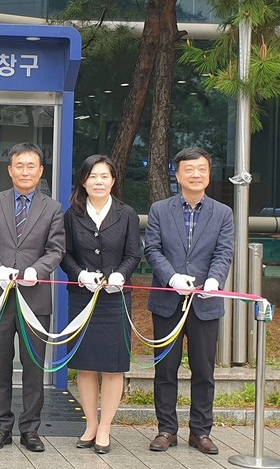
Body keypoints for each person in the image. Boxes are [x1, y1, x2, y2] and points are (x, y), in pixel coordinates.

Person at [0, 142, 65, 453]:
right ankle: (1, 427)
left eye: (31, 166)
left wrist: (37, 270)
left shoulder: (52, 208)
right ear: (10, 170)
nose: (25, 171)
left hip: (35, 298)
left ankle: (30, 429)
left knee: (33, 367)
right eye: (19, 166)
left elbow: (56, 250)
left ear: (40, 171)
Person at [144, 147, 233, 455]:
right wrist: (171, 278)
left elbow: (224, 252)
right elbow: (152, 249)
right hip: (168, 300)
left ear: (208, 174)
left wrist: (214, 280)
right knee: (165, 369)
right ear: (178, 174)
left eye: (201, 169)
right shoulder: (160, 209)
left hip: (206, 303)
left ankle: (201, 431)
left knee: (204, 371)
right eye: (189, 169)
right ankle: (166, 430)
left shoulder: (223, 213)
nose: (196, 175)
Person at [59, 155, 141, 455]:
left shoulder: (126, 213)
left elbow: (133, 254)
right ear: (83, 181)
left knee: (112, 366)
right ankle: (90, 424)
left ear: (113, 180)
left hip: (115, 299)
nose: (98, 181)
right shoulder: (72, 215)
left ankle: (105, 427)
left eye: (104, 176)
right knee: (85, 364)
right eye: (92, 176)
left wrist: (121, 274)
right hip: (83, 297)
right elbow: (64, 254)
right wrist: (80, 275)